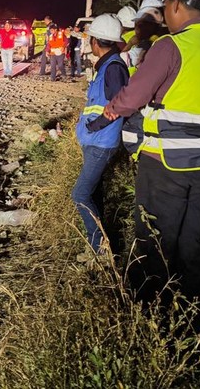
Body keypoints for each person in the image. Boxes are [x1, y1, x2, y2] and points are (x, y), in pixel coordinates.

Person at [102, 0, 200, 299]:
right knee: (192, 232)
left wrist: (112, 109)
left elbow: (133, 96)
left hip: (164, 162)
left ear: (178, 4)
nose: (166, 11)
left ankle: (148, 302)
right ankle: (190, 298)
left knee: (154, 234)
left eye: (167, 4)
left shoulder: (170, 46)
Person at [71, 14, 129, 253]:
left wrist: (94, 125)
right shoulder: (107, 65)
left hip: (101, 142)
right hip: (95, 140)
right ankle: (102, 241)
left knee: (80, 194)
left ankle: (100, 247)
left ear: (95, 41)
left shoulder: (113, 67)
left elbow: (121, 103)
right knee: (93, 191)